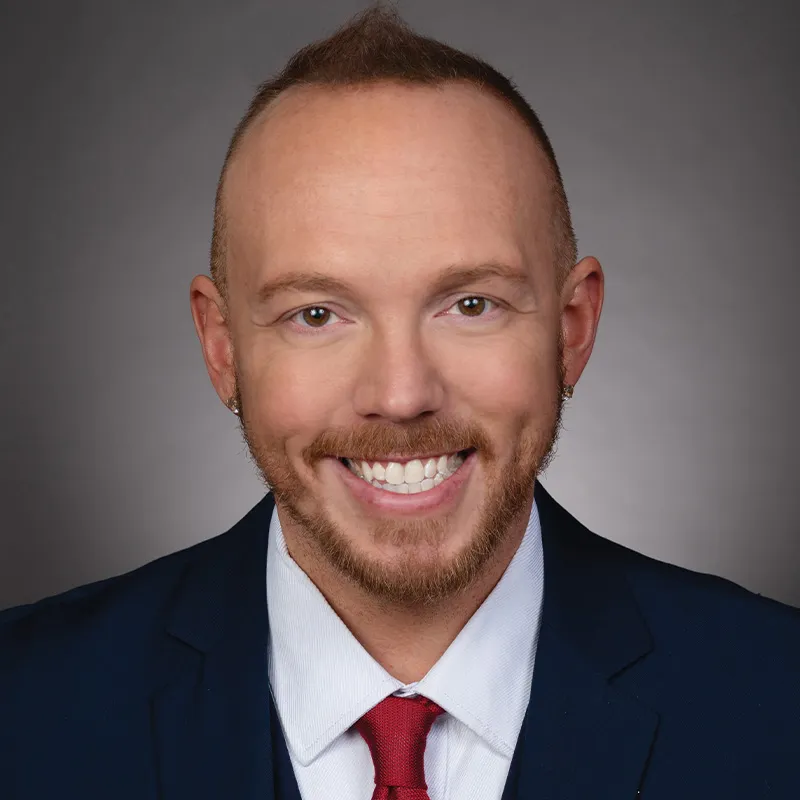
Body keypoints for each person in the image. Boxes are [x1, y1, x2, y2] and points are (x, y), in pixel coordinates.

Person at [1, 6, 798, 799]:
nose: (401, 394)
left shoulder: (779, 706)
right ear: (221, 348)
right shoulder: (24, 708)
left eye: (471, 304)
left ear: (573, 329)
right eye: (317, 314)